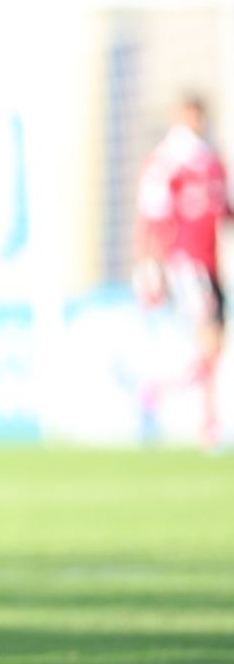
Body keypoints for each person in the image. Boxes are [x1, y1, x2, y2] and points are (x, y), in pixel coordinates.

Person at [135, 93, 229, 448]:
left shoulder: (212, 161)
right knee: (209, 341)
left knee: (213, 348)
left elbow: (224, 211)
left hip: (211, 263)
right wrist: (149, 265)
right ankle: (207, 423)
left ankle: (160, 392)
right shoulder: (167, 161)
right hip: (187, 263)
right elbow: (152, 216)